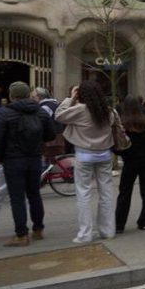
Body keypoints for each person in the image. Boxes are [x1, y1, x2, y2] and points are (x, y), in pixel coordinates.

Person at [0, 82, 55, 247]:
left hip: (13, 160)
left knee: (17, 198)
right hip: (34, 158)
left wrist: (0, 158)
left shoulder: (4, 113)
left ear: (12, 96)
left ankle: (21, 234)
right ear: (28, 95)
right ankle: (38, 229)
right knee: (34, 194)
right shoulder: (40, 112)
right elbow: (50, 134)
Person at [56, 80, 117, 243]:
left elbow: (59, 115)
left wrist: (70, 98)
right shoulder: (108, 111)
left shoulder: (79, 110)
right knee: (106, 192)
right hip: (104, 154)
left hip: (84, 154)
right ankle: (108, 230)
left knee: (83, 193)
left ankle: (85, 233)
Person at [114, 97, 145, 233]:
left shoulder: (123, 123)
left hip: (130, 161)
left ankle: (119, 224)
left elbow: (116, 143)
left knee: (124, 192)